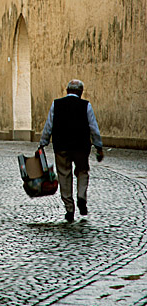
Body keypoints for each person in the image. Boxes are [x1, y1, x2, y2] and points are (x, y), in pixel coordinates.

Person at [39, 79, 104, 222]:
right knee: (82, 171)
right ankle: (81, 195)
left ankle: (69, 207)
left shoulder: (56, 104)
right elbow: (93, 128)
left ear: (67, 91)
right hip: (81, 147)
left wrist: (43, 143)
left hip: (61, 146)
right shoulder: (85, 105)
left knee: (64, 175)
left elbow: (48, 125)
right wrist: (99, 147)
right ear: (80, 92)